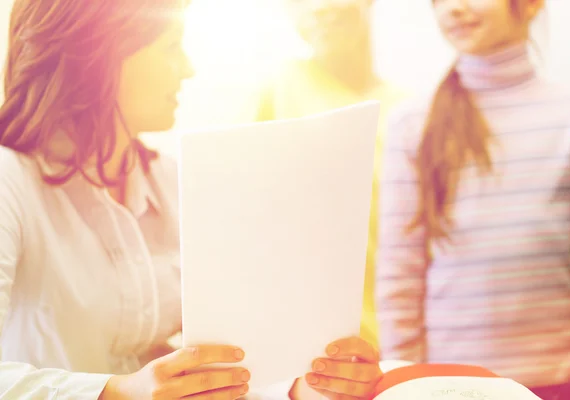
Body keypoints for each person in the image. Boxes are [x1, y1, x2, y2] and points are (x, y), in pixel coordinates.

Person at [0, 0, 382, 399]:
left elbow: (228, 360)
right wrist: (118, 392)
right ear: (98, 56)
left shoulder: (174, 179)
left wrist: (305, 386)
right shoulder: (10, 179)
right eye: (171, 47)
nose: (188, 69)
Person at [376, 0, 570, 399]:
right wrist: (404, 381)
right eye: (439, 1)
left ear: (530, 5)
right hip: (449, 384)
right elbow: (399, 271)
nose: (453, 10)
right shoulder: (412, 121)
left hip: (559, 377)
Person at [256, 0, 406, 349]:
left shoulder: (407, 110)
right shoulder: (279, 89)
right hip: (305, 340)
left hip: (390, 338)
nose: (317, 9)